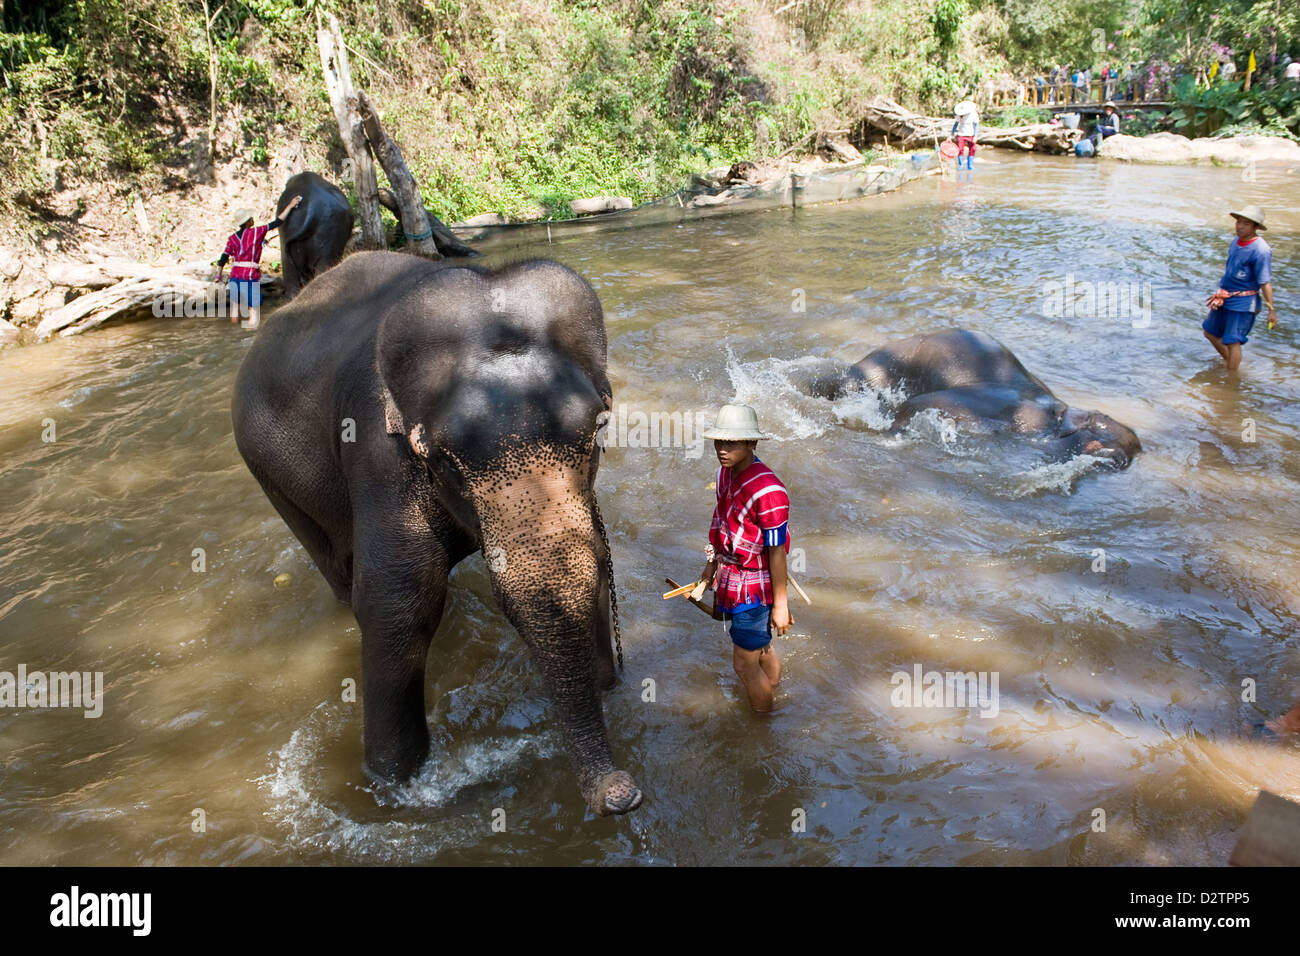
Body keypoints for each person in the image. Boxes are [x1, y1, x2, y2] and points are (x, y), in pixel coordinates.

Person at [696, 404, 793, 713]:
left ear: (752, 443)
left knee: (743, 665)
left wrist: (781, 605)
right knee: (760, 649)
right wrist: (711, 565)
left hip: (756, 585)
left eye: (731, 443)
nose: (722, 450)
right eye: (718, 442)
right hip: (733, 575)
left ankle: (763, 725)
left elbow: (777, 551)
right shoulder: (724, 476)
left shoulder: (769, 491)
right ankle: (772, 688)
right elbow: (721, 520)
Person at [1202, 205, 1278, 372]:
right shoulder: (1236, 241)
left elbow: (1265, 282)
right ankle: (1232, 364)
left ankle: (1232, 377)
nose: (1240, 227)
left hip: (1244, 301)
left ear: (1255, 227)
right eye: (1238, 223)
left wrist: (1271, 310)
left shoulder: (1261, 250)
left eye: (1246, 224)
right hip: (1225, 296)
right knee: (1210, 332)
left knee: (1233, 340)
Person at [214, 195, 302, 330]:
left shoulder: (232, 239)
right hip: (249, 275)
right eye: (251, 218)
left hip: (234, 276)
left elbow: (223, 258)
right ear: (248, 221)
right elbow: (277, 222)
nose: (253, 219)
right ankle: (250, 333)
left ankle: (233, 330)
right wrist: (290, 205)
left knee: (235, 305)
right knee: (253, 307)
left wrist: (218, 276)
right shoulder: (256, 232)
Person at [950, 99, 979, 171]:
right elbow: (955, 125)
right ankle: (961, 165)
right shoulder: (959, 115)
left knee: (972, 149)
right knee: (960, 149)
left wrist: (975, 136)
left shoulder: (974, 114)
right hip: (961, 134)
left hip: (970, 134)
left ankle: (970, 165)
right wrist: (952, 134)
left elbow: (976, 125)